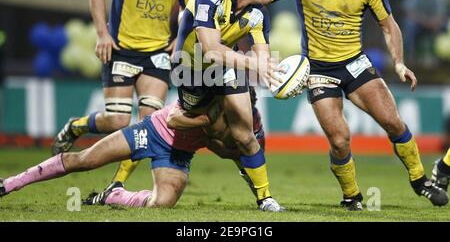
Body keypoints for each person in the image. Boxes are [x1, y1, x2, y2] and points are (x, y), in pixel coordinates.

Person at [263, 0, 448, 210]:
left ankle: (420, 180)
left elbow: (389, 26)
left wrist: (399, 63)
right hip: (319, 71)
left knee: (393, 122)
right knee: (339, 140)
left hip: (355, 65)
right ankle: (352, 197)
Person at [52, 0, 198, 188]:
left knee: (146, 126)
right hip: (122, 50)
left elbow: (189, 8)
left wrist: (179, 37)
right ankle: (77, 126)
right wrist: (101, 34)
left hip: (157, 53)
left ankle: (116, 184)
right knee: (117, 120)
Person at [1, 88, 280, 211]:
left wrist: (240, 159)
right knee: (84, 161)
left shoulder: (251, 122)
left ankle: (114, 196)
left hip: (177, 155)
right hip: (153, 132)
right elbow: (173, 118)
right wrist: (207, 124)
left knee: (162, 204)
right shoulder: (209, 99)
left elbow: (226, 150)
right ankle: (10, 183)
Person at [171, 0, 285, 211]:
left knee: (245, 134)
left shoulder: (258, 14)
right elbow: (210, 50)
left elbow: (263, 56)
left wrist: (277, 75)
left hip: (224, 69)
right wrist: (254, 64)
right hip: (191, 72)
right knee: (212, 134)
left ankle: (265, 198)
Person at [402, 0, 447, 65]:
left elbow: (441, 14)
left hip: (433, 25)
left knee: (445, 26)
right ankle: (410, 56)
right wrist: (425, 21)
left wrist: (435, 22)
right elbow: (409, 12)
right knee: (409, 24)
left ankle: (441, 58)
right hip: (418, 24)